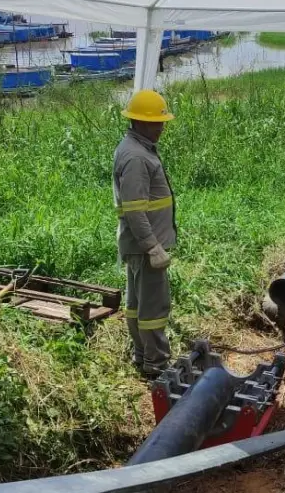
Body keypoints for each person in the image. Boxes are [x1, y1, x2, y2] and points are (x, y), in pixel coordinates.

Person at [113, 89, 177, 378]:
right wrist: (153, 247)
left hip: (139, 246)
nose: (161, 127)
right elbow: (135, 210)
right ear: (139, 122)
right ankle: (157, 365)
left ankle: (142, 358)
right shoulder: (137, 157)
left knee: (137, 306)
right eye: (156, 122)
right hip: (145, 248)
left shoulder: (136, 148)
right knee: (153, 310)